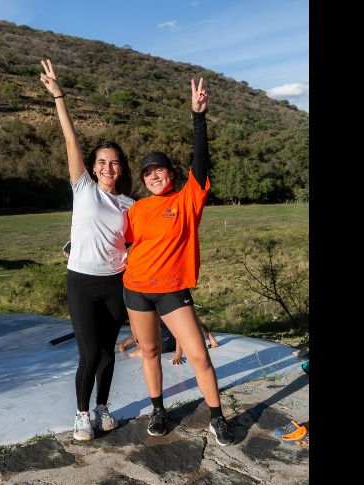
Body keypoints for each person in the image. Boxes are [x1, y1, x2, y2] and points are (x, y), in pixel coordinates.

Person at [122, 78, 235, 446]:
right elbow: (119, 242)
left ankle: (217, 417)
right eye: (148, 172)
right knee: (151, 351)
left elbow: (202, 165)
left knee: (200, 356)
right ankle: (158, 408)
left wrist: (198, 118)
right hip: (135, 289)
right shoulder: (137, 209)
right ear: (143, 179)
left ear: (171, 173)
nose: (154, 175)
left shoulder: (188, 199)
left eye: (160, 169)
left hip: (172, 290)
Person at [40, 59, 134, 441]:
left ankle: (102, 407)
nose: (108, 167)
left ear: (121, 168)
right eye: (101, 162)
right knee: (89, 355)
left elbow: (136, 243)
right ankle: (82, 415)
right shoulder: (84, 188)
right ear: (92, 168)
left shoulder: (130, 204)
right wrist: (59, 96)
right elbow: (70, 140)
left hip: (115, 283)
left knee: (109, 353)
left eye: (114, 163)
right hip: (81, 282)